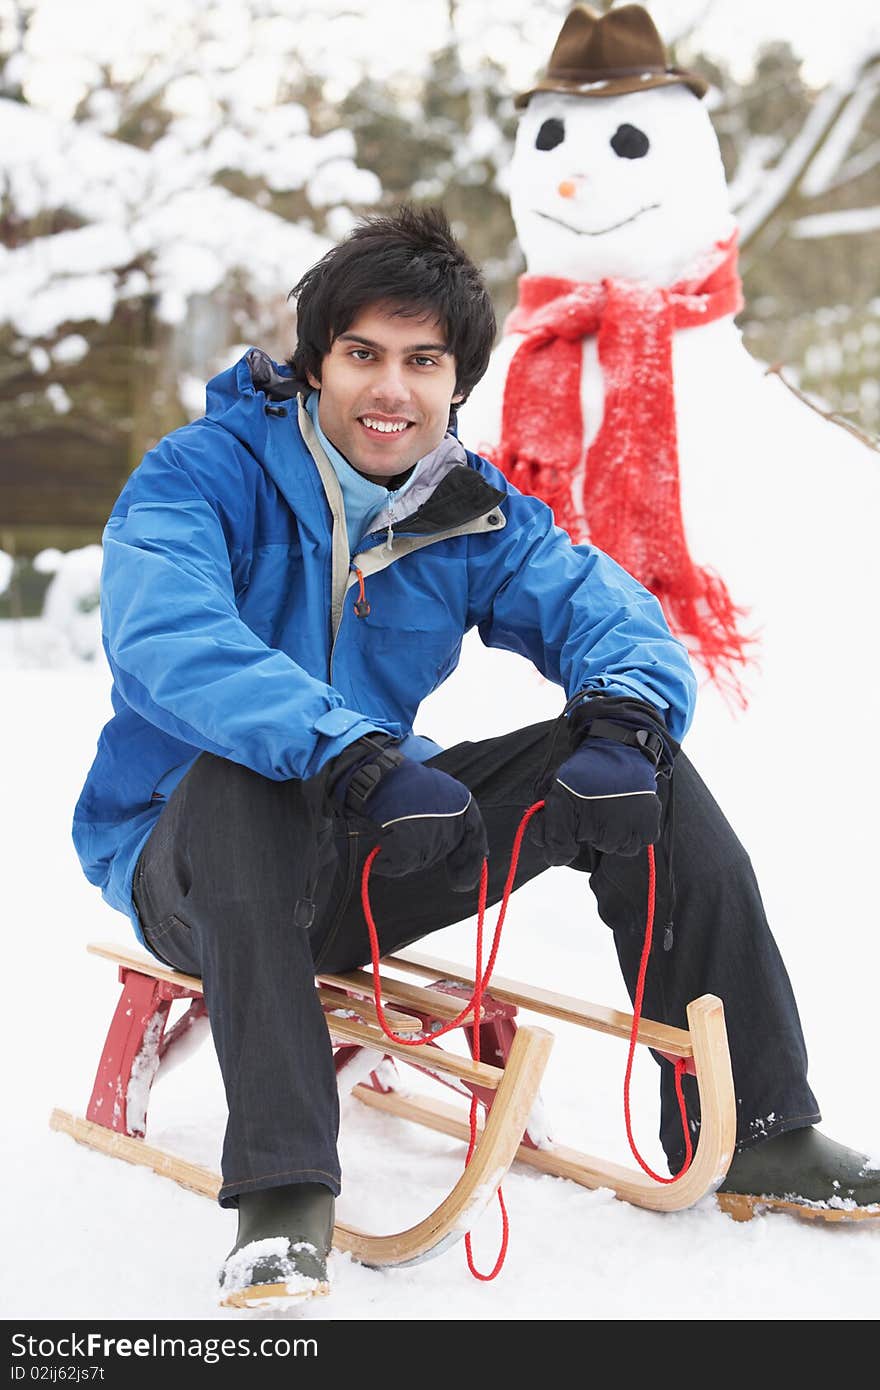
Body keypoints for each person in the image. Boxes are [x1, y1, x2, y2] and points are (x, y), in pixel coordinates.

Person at [73, 205, 879, 1306]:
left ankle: (763, 1128)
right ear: (316, 364)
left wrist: (622, 724)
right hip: (190, 860)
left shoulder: (468, 507)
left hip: (376, 832)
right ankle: (283, 1192)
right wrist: (345, 750)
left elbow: (605, 610)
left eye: (422, 361)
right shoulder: (202, 475)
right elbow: (169, 637)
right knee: (245, 775)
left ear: (458, 381)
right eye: (361, 354)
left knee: (641, 762)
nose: (388, 389)